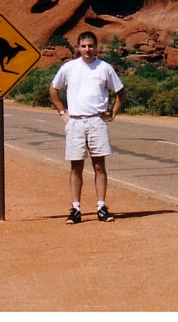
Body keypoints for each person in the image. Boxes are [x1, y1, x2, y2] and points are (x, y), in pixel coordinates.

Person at [49, 31, 126, 224]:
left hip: (97, 121)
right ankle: (76, 209)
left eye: (90, 46)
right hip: (75, 121)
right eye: (83, 46)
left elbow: (121, 92)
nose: (87, 49)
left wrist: (113, 112)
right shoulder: (69, 68)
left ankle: (101, 207)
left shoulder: (104, 68)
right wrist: (62, 112)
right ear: (77, 48)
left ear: (96, 47)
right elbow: (53, 89)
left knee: (99, 165)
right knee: (76, 165)